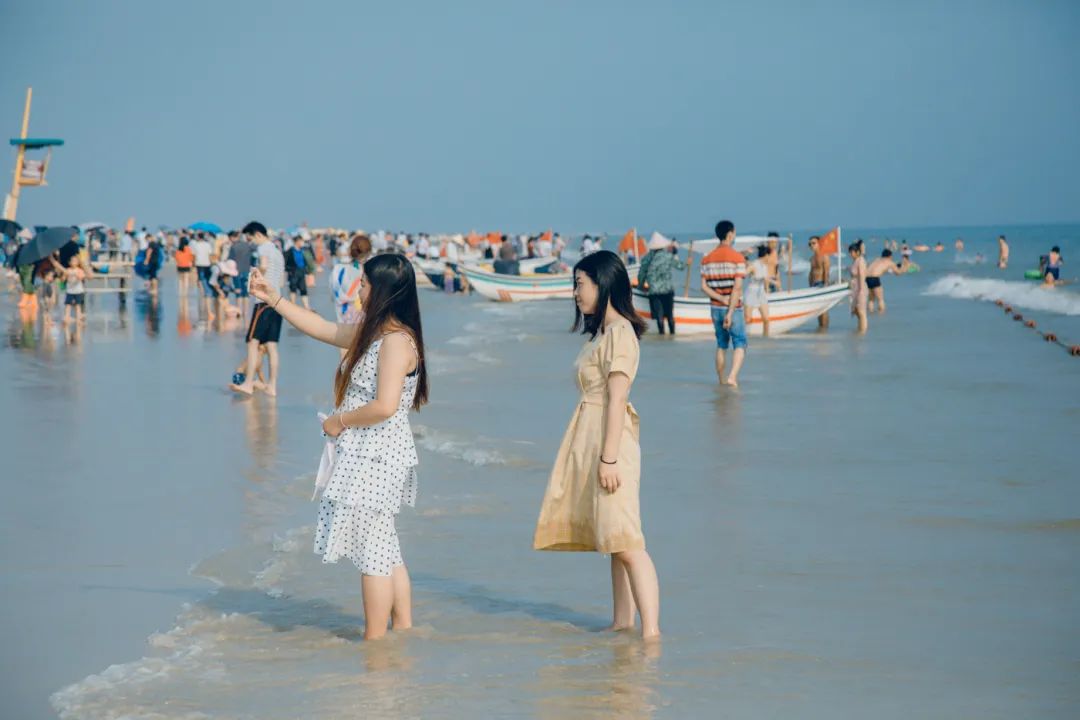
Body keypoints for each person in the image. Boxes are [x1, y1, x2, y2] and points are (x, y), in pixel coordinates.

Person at [249, 253, 428, 640]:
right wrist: (274, 299)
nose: (356, 289)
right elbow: (323, 329)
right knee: (385, 545)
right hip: (368, 451)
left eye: (363, 283)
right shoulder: (376, 334)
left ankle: (375, 644)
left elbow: (383, 406)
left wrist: (338, 421)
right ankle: (405, 631)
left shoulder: (396, 342)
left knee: (373, 554)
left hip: (378, 454)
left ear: (382, 290)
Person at [533, 250, 659, 640]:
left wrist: (609, 459)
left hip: (612, 443)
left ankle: (651, 634)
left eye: (580, 284)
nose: (575, 292)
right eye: (575, 283)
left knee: (627, 540)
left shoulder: (620, 335)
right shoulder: (603, 334)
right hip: (595, 438)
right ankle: (623, 622)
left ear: (604, 284)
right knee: (612, 537)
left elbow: (617, 399)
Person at [230, 222, 286, 396]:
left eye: (251, 238)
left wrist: (253, 274)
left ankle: (247, 383)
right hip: (277, 301)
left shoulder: (263, 249)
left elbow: (262, 266)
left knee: (252, 343)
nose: (251, 242)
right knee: (271, 346)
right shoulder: (278, 252)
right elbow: (282, 280)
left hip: (262, 302)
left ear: (258, 234)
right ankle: (272, 386)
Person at [700, 220, 747, 387]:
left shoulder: (707, 259)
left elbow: (704, 287)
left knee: (721, 343)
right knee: (739, 342)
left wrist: (720, 299)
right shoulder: (738, 258)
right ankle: (732, 377)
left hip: (715, 307)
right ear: (730, 234)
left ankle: (721, 380)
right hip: (733, 308)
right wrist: (730, 311)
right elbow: (737, 288)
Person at [638, 233, 687, 335]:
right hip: (667, 290)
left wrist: (641, 286)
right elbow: (680, 267)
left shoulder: (646, 258)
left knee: (659, 317)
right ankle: (672, 336)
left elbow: (641, 274)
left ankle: (662, 336)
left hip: (654, 292)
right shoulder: (668, 256)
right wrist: (687, 262)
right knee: (669, 316)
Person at [49, 252, 88, 325]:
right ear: (69, 262)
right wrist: (64, 276)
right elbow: (63, 279)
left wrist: (77, 275)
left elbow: (82, 277)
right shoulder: (67, 270)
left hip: (78, 291)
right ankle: (67, 317)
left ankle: (78, 318)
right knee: (68, 304)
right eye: (72, 261)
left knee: (78, 305)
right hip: (70, 291)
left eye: (75, 261)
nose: (74, 263)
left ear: (78, 262)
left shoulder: (79, 270)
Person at [743, 245, 772, 336]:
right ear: (766, 255)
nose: (769, 258)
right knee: (747, 319)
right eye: (769, 255)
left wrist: (767, 289)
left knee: (766, 320)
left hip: (761, 293)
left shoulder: (765, 266)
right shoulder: (754, 265)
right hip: (751, 292)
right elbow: (743, 275)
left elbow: (766, 279)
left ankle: (765, 339)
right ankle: (741, 338)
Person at [865, 249, 903, 313]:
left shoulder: (877, 259)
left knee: (871, 299)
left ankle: (871, 315)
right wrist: (903, 268)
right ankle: (881, 317)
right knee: (880, 299)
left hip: (867, 278)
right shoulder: (890, 262)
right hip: (875, 278)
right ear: (890, 256)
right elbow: (898, 273)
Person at [228, 231, 255, 316]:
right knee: (246, 293)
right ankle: (246, 312)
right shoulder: (248, 245)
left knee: (238, 292)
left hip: (236, 272)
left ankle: (239, 311)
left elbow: (230, 260)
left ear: (233, 237)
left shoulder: (233, 247)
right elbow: (254, 257)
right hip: (247, 271)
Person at [808, 235, 831, 329]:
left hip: (821, 283)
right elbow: (811, 272)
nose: (811, 245)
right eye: (809, 244)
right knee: (818, 310)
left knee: (823, 309)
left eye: (813, 243)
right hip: (813, 286)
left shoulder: (824, 256)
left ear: (819, 243)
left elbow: (826, 271)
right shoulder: (812, 258)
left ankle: (825, 329)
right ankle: (821, 328)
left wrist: (826, 285)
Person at [285, 235, 312, 310]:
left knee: (303, 289)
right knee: (293, 288)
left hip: (302, 271)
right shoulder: (290, 251)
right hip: (293, 272)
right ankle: (293, 306)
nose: (302, 243)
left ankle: (307, 307)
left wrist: (308, 271)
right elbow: (285, 261)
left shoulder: (303, 250)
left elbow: (308, 261)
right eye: (301, 241)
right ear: (297, 242)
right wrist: (289, 270)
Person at [848, 242, 868, 333]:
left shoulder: (861, 261)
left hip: (860, 287)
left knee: (861, 311)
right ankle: (860, 328)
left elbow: (862, 276)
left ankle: (863, 332)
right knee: (855, 310)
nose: (850, 254)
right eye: (850, 252)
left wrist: (861, 290)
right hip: (854, 288)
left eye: (852, 252)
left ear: (857, 252)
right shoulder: (855, 261)